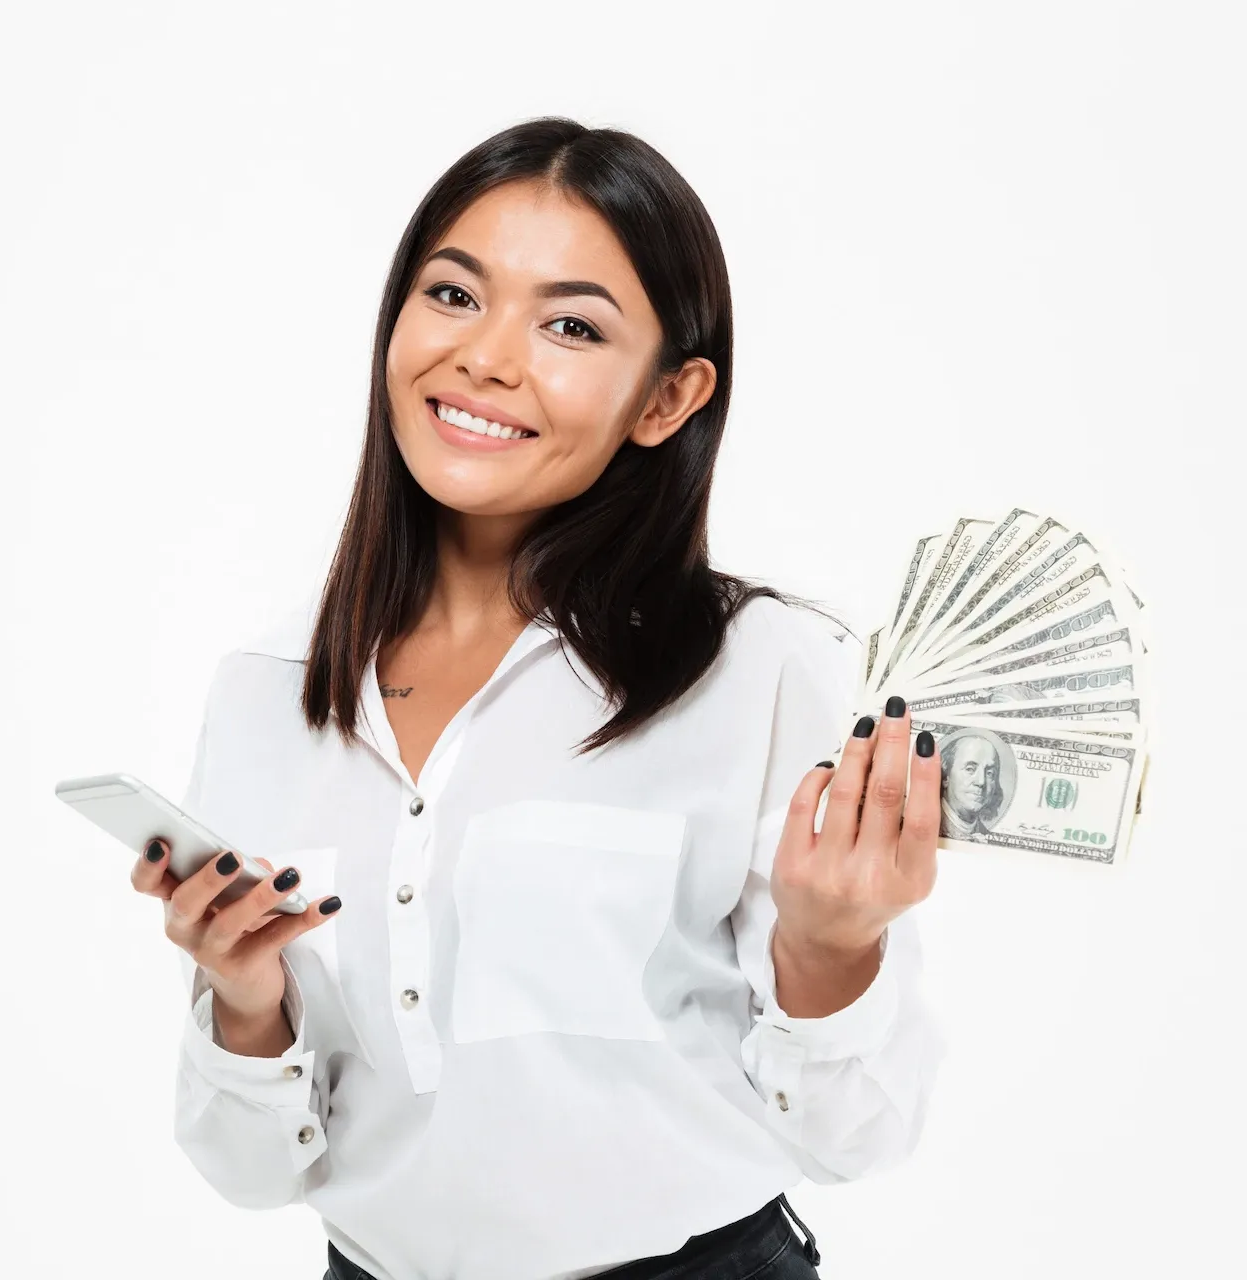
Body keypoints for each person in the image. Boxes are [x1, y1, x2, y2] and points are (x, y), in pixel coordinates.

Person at [130, 116, 944, 1280]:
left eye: (568, 324)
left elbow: (855, 1133)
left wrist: (831, 946)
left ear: (665, 399)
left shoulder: (758, 664)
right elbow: (255, 1172)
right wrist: (246, 998)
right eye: (453, 295)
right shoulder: (266, 692)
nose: (486, 358)